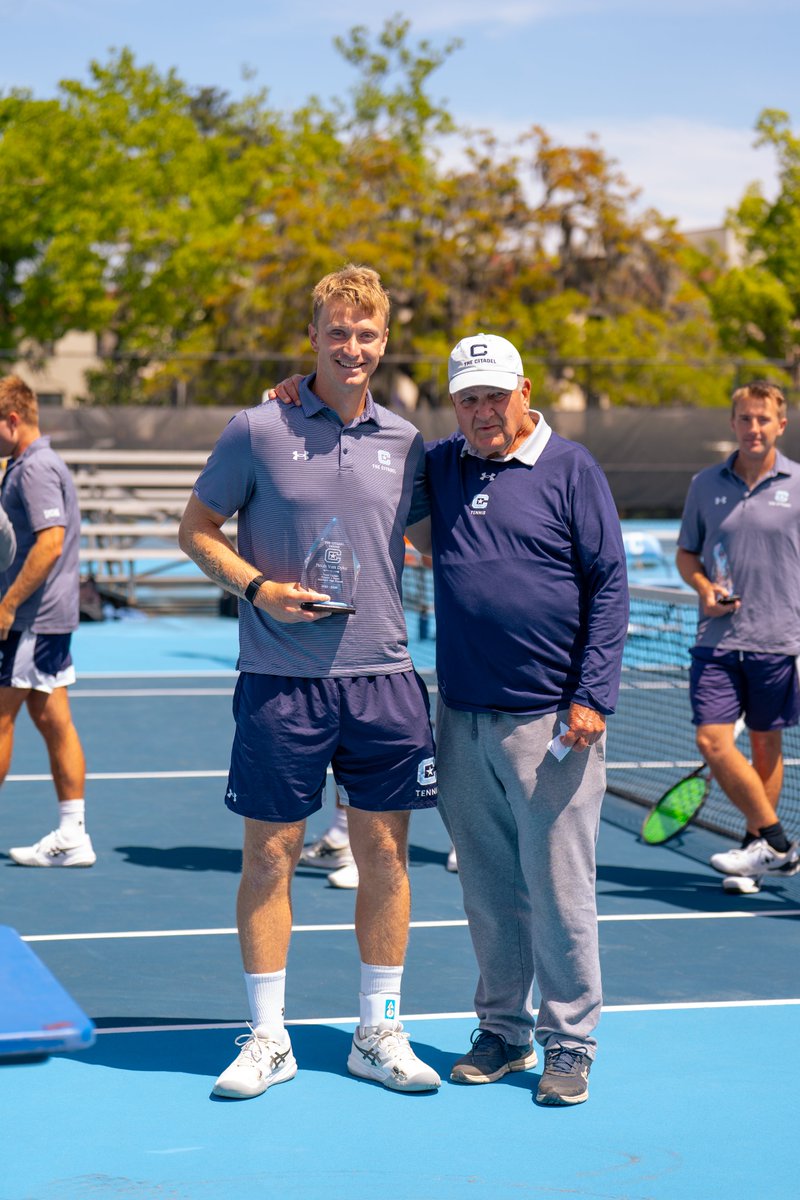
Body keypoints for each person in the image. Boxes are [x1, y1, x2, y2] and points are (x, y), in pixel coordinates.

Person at [271, 332, 629, 1105]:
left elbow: (610, 584)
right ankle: (503, 1030)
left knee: (560, 888)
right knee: (491, 890)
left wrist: (593, 694)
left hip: (554, 723)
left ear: (524, 392)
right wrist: (297, 391)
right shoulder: (443, 463)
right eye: (468, 398)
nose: (482, 412)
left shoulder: (571, 469)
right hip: (460, 716)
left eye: (494, 396)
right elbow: (363, 432)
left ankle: (570, 1043)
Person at [178, 264, 441, 1098]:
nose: (352, 346)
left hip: (383, 679)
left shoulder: (409, 446)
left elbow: (447, 541)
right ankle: (268, 1038)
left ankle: (378, 1030)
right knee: (271, 858)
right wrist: (258, 588)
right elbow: (197, 530)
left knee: (387, 859)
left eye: (366, 334)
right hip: (279, 680)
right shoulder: (257, 428)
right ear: (315, 336)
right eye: (338, 331)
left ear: (385, 341)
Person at [676, 380, 800, 893]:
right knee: (713, 740)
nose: (753, 428)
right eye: (745, 419)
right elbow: (688, 554)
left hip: (779, 640)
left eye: (763, 419)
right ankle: (778, 843)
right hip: (718, 640)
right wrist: (703, 586)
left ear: (780, 424)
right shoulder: (705, 484)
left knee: (766, 750)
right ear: (733, 423)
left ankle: (757, 854)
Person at [0, 375, 93, 867]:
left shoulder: (35, 468)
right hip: (45, 618)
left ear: (12, 421)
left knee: (1, 718)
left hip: (32, 620)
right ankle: (73, 833)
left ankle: (74, 832)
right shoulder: (24, 464)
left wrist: (9, 603)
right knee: (53, 719)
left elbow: (50, 541)